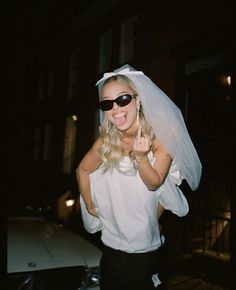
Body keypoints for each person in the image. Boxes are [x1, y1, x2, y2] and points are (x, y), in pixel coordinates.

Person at [76, 64, 202, 290]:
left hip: (144, 252)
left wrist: (142, 158)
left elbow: (154, 184)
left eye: (123, 99)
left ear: (138, 100)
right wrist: (89, 203)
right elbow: (82, 170)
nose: (115, 109)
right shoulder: (106, 141)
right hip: (111, 248)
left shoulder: (162, 137)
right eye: (107, 104)